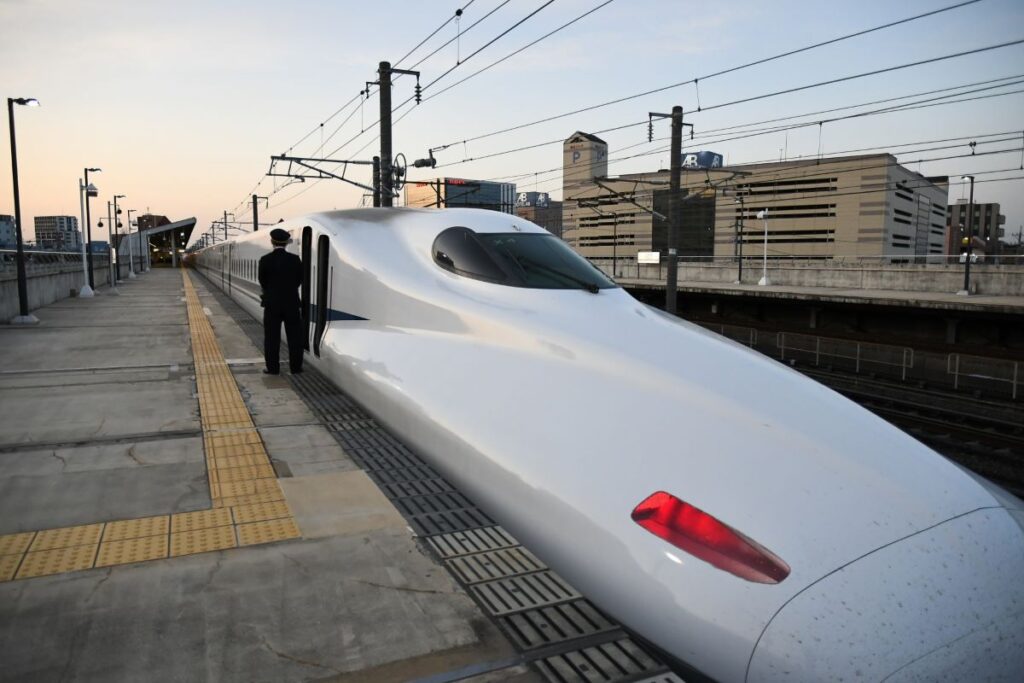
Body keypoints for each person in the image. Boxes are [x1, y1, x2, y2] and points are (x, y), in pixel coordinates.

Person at [258, 228, 304, 375]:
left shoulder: (265, 260)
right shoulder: (295, 260)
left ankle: (273, 369)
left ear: (272, 242)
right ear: (286, 243)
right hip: (291, 303)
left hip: (272, 305)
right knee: (295, 338)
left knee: (271, 338)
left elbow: (262, 281)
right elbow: (299, 280)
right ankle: (296, 368)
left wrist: (271, 293)